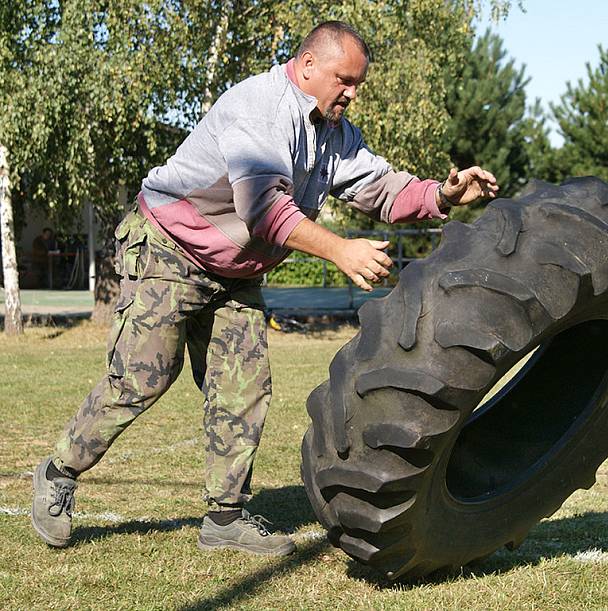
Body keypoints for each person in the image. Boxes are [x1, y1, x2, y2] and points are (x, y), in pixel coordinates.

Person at [31, 21, 499, 556]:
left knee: (243, 384)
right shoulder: (259, 108)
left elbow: (381, 189)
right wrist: (341, 249)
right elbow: (264, 211)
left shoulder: (336, 133)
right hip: (169, 250)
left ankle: (225, 519)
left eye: (358, 83)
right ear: (306, 66)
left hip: (236, 273)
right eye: (344, 79)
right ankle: (58, 472)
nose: (352, 92)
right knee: (142, 379)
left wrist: (442, 192)